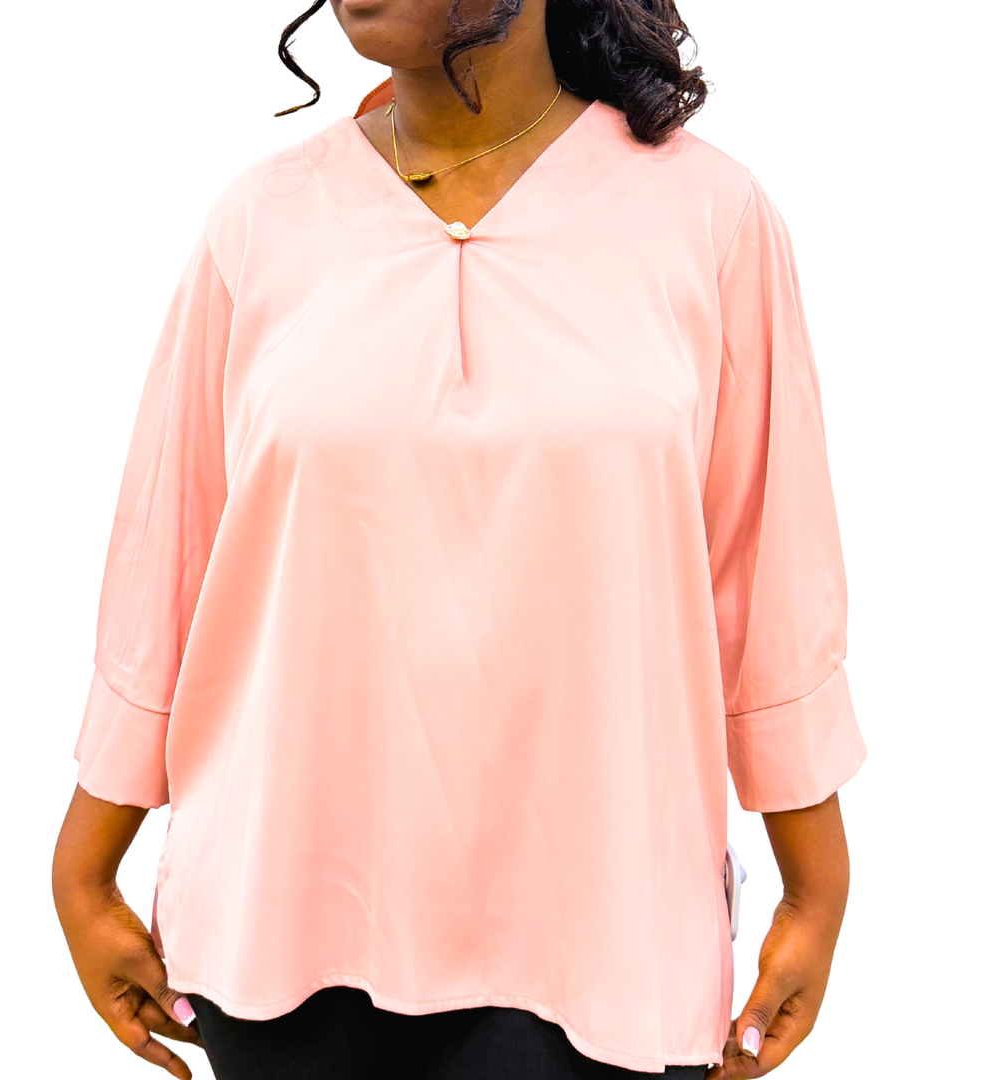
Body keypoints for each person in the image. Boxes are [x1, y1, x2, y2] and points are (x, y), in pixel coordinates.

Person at [51, 2, 867, 1078]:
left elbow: (767, 570)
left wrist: (813, 887)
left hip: (605, 935)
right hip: (281, 929)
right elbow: (170, 559)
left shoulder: (710, 219)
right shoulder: (260, 222)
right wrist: (85, 866)